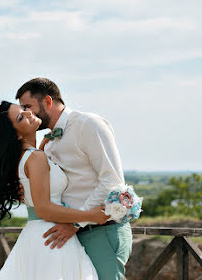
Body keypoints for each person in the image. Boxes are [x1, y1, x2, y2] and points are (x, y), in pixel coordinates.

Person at [0, 101, 106, 280]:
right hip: (51, 237)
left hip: (37, 235)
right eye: (21, 118)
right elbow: (43, 209)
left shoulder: (26, 157)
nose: (28, 114)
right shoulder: (35, 157)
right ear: (16, 135)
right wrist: (90, 215)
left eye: (24, 110)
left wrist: (42, 145)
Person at [16, 78, 132, 280]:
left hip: (101, 231)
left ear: (48, 102)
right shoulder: (49, 143)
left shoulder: (88, 125)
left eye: (28, 106)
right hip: (70, 237)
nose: (26, 113)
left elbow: (112, 181)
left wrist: (76, 223)